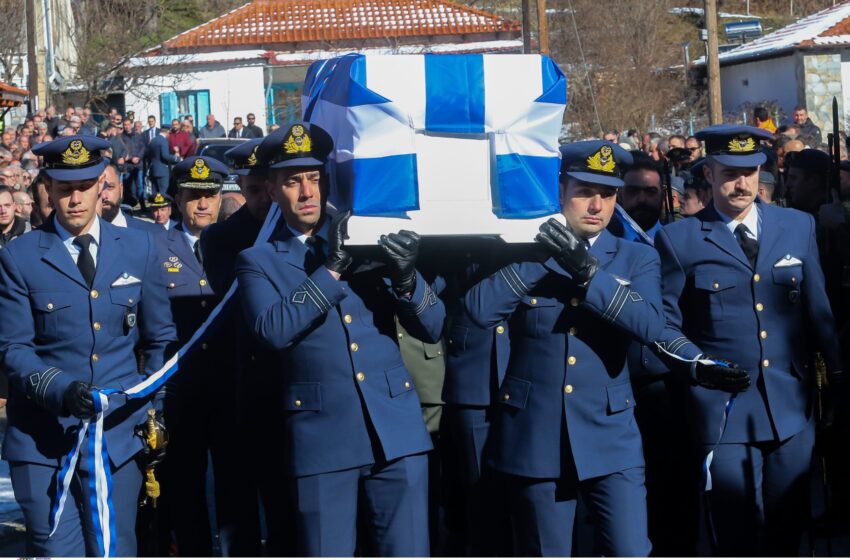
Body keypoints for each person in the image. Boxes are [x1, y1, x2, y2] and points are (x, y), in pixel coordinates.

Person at [237, 122, 442, 556]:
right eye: (293, 182)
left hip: (395, 430)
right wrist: (330, 270)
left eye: (314, 179)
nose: (307, 192)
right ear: (273, 191)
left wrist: (407, 279)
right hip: (322, 437)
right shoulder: (258, 260)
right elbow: (271, 330)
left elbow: (434, 325)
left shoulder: (369, 237)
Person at [463, 140, 663, 556]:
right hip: (536, 436)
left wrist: (588, 273)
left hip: (611, 435)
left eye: (607, 194)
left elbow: (651, 325)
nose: (596, 205)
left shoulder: (634, 256)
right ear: (559, 191)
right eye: (583, 191)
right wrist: (542, 257)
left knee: (630, 550)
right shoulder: (520, 249)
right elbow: (478, 312)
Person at [654, 124, 843, 556]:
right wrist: (699, 366)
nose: (741, 184)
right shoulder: (679, 239)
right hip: (722, 411)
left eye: (750, 172)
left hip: (789, 407)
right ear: (708, 173)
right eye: (728, 173)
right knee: (736, 531)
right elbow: (664, 324)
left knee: (788, 525)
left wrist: (836, 376)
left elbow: (817, 309)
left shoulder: (796, 226)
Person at [0, 135, 177, 556]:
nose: (75, 199)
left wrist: (153, 407)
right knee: (56, 550)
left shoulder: (139, 247)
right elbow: (13, 349)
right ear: (47, 189)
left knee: (114, 547)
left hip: (117, 436)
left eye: (84, 186)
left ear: (102, 184)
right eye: (64, 189)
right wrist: (62, 390)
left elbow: (159, 339)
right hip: (44, 440)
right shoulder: (19, 257)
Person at [201, 137, 291, 555]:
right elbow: (236, 298)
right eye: (252, 191)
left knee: (285, 499)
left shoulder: (296, 229)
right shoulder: (221, 238)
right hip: (245, 381)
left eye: (267, 190)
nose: (261, 200)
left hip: (293, 381)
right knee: (239, 500)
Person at [155, 155, 226, 556]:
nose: (203, 204)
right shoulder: (154, 245)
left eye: (210, 195)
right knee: (184, 484)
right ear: (178, 199)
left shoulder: (237, 243)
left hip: (231, 383)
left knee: (235, 483)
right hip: (180, 387)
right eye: (193, 196)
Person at [97, 162, 164, 236]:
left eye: (110, 187)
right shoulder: (83, 238)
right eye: (98, 188)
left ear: (121, 189)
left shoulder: (152, 233)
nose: (104, 196)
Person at [146, 124, 179, 196]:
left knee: (155, 195)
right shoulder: (163, 141)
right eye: (169, 133)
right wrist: (177, 158)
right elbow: (165, 156)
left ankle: (155, 207)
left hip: (153, 170)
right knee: (163, 193)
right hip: (162, 170)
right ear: (168, 132)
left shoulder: (153, 140)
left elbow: (148, 155)